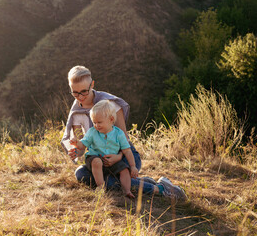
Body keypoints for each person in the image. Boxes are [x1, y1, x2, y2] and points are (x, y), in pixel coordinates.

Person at [61, 65, 187, 201]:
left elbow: (123, 139)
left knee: (111, 183)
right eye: (75, 93)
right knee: (80, 174)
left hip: (124, 155)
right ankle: (145, 182)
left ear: (92, 84)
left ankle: (162, 189)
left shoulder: (110, 104)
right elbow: (83, 146)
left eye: (84, 91)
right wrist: (76, 151)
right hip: (99, 160)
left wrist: (118, 157)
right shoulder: (76, 113)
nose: (80, 97)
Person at [70, 100, 138, 198]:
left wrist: (133, 166)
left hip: (112, 161)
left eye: (99, 122)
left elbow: (127, 151)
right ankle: (101, 187)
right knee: (97, 162)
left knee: (124, 170)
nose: (96, 125)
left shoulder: (119, 134)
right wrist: (77, 143)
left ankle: (127, 190)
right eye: (94, 122)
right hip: (94, 158)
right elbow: (83, 144)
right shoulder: (92, 132)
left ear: (111, 119)